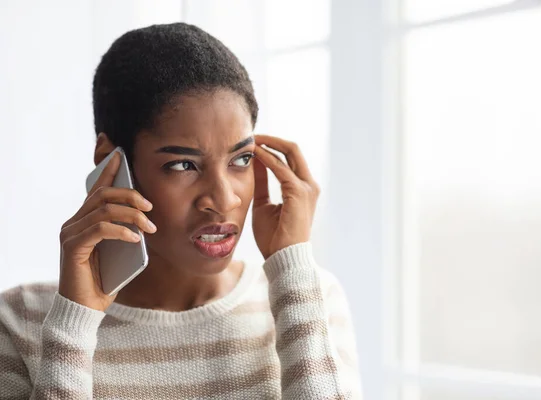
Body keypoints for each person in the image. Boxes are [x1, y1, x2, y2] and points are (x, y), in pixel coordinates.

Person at [0, 22, 361, 399]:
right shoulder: (19, 320)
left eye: (241, 159)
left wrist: (293, 268)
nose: (224, 200)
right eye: (182, 165)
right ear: (111, 160)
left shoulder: (308, 297)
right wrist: (74, 324)